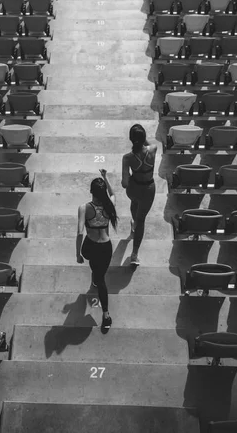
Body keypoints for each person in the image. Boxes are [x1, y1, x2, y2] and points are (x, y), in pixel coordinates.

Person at [76, 169, 117, 330]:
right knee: (99, 273)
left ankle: (106, 313)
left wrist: (77, 254)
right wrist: (106, 178)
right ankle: (106, 315)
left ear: (91, 192)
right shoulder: (110, 205)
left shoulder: (84, 208)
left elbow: (80, 232)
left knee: (100, 281)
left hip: (90, 246)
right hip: (106, 247)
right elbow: (113, 194)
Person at [121, 124, 157, 266]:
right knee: (141, 219)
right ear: (144, 138)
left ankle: (133, 224)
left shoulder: (127, 158)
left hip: (134, 188)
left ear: (130, 139)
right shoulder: (153, 150)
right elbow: (149, 144)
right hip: (148, 189)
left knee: (134, 203)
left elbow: (124, 183)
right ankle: (134, 255)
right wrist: (142, 139)